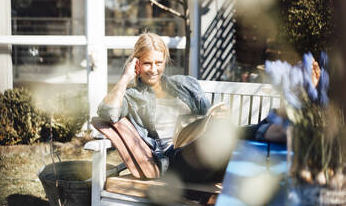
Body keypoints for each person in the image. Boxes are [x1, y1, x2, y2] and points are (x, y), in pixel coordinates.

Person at [97, 32, 284, 182]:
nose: (154, 69)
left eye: (158, 63)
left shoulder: (186, 84)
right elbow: (108, 113)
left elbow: (207, 119)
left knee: (223, 129)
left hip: (204, 150)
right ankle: (269, 130)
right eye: (147, 63)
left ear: (165, 61)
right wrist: (125, 77)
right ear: (137, 64)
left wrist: (219, 116)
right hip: (175, 160)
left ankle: (274, 127)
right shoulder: (132, 97)